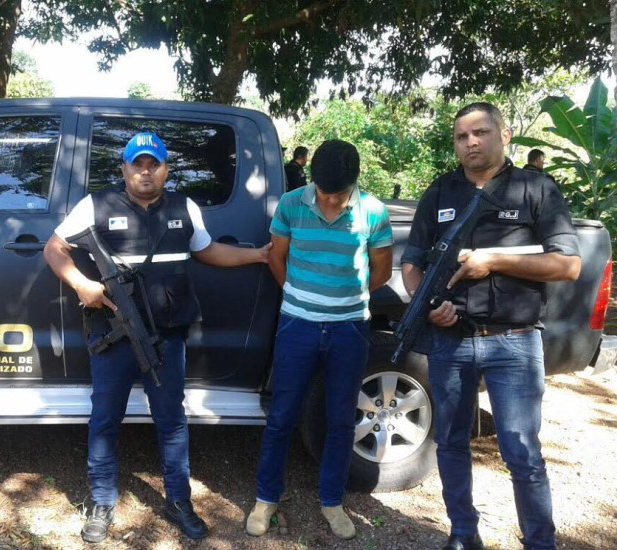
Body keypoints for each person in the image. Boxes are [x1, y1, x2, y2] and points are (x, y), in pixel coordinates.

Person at [43, 131, 270, 544]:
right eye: (137, 164)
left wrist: (257, 255)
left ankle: (178, 500)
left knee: (171, 421)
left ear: (166, 169)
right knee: (105, 418)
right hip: (113, 334)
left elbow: (207, 250)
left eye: (154, 164)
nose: (145, 172)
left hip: (166, 336)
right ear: (124, 169)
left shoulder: (184, 207)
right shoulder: (96, 204)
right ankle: (101, 501)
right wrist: (81, 285)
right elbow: (54, 247)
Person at [400, 102, 580, 550]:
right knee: (451, 444)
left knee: (522, 453)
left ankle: (540, 541)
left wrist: (493, 261)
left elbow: (569, 265)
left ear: (504, 133)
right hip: (449, 341)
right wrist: (429, 307)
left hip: (514, 342)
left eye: (480, 133)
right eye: (462, 137)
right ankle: (463, 534)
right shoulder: (440, 192)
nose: (471, 143)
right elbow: (410, 262)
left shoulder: (536, 189)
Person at [246, 139, 393, 540]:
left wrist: (349, 299)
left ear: (354, 183)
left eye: (338, 193)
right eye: (323, 192)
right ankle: (265, 498)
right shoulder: (292, 204)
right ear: (311, 180)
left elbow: (381, 269)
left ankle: (332, 501)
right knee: (281, 416)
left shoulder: (374, 211)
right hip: (297, 326)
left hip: (349, 328)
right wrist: (299, 296)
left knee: (341, 420)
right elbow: (276, 257)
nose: (329, 200)